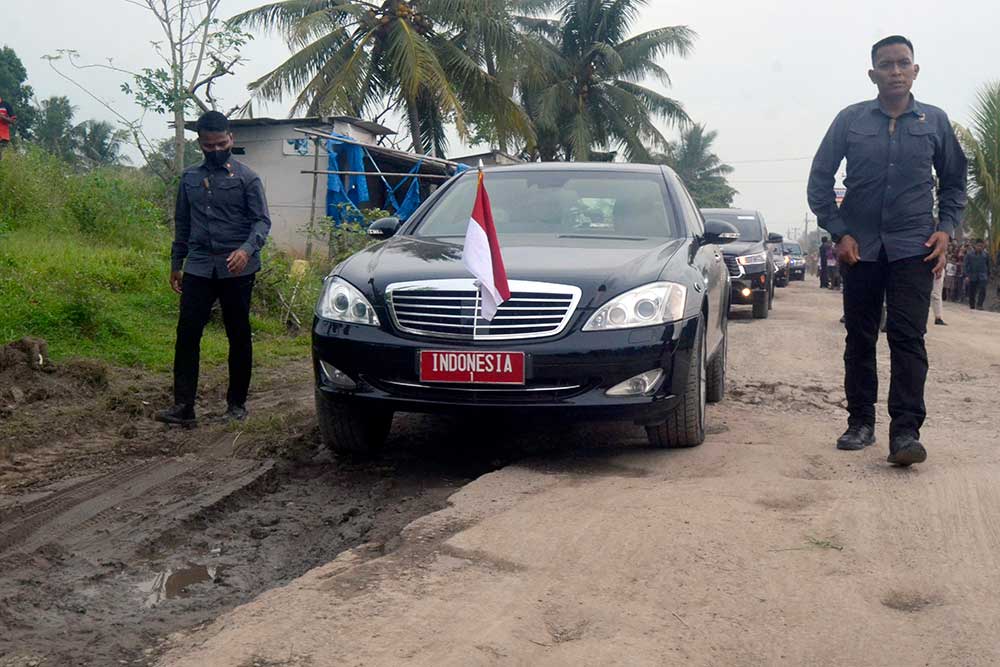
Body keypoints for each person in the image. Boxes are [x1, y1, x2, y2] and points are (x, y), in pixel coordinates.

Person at [807, 35, 967, 466]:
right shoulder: (850, 120)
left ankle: (905, 433)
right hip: (860, 250)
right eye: (886, 64)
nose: (895, 71)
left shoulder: (934, 122)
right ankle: (860, 423)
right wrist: (840, 232)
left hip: (915, 249)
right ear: (872, 73)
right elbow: (819, 181)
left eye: (903, 63)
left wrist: (946, 229)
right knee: (859, 337)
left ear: (915, 70)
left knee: (907, 338)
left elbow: (954, 182)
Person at [156, 111, 272, 426]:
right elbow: (182, 222)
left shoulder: (248, 178)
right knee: (187, 333)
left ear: (231, 139)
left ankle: (236, 405)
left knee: (238, 334)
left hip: (237, 269)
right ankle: (183, 407)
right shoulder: (189, 178)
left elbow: (262, 221)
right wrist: (176, 263)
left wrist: (246, 251)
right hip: (198, 265)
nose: (216, 150)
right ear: (200, 144)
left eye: (221, 143)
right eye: (209, 146)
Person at [963, 239, 991, 310]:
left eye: (981, 246)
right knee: (972, 291)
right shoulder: (969, 254)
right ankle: (972, 305)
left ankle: (980, 305)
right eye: (978, 246)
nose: (980, 247)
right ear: (975, 246)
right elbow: (966, 265)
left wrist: (988, 275)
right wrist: (966, 275)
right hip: (972, 275)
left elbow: (988, 265)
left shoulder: (986, 255)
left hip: (983, 275)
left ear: (983, 246)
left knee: (983, 289)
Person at [0, 95, 16, 160]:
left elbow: (13, 120)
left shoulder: (6, 105)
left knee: (2, 158)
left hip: (3, 137)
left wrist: (2, 117)